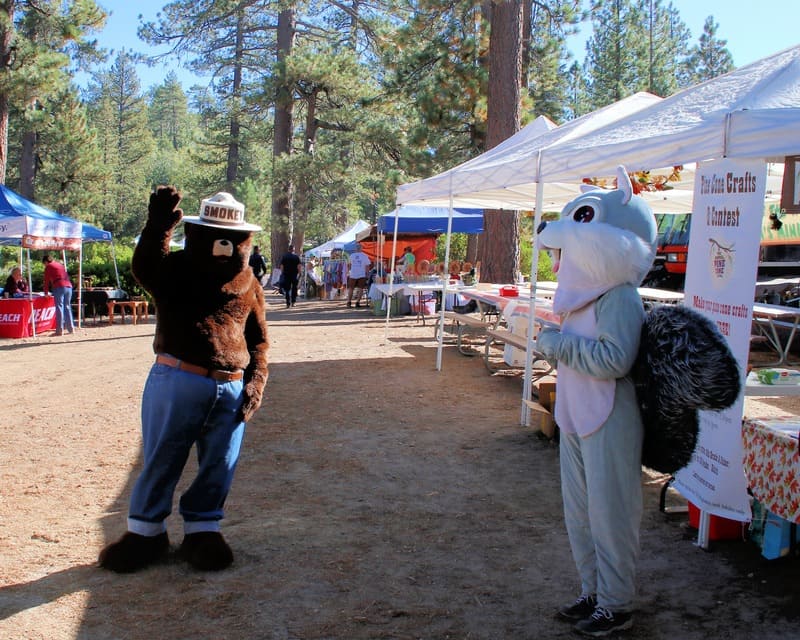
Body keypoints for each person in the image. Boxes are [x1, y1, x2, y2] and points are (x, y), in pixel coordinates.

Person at [42, 254, 74, 335]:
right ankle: (71, 328)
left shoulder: (49, 266)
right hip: (69, 286)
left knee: (59, 307)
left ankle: (59, 330)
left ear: (46, 262)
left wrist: (46, 293)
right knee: (67, 307)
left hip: (59, 286)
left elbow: (46, 281)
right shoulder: (60, 265)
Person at [346, 243, 372, 308]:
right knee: (361, 288)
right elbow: (367, 266)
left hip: (353, 274)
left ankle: (349, 302)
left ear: (355, 249)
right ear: (361, 249)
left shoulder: (351, 255)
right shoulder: (364, 256)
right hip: (362, 274)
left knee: (351, 288)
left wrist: (348, 272)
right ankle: (357, 302)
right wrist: (367, 274)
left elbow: (349, 265)